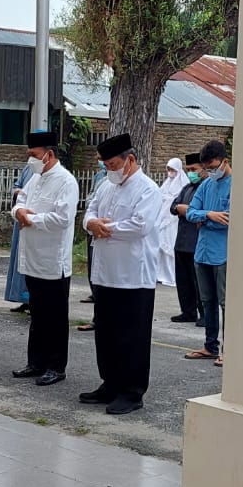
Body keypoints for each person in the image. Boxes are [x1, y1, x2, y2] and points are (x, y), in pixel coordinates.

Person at [81, 134, 165, 415]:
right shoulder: (106, 185)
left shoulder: (148, 189)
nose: (110, 170)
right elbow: (90, 210)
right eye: (105, 165)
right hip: (104, 272)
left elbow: (140, 225)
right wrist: (91, 223)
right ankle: (110, 383)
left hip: (133, 275)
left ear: (129, 160)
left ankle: (132, 392)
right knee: (106, 334)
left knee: (132, 336)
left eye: (113, 164)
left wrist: (105, 228)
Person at [10, 131, 79, 386]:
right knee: (37, 316)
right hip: (32, 258)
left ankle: (56, 366)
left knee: (55, 318)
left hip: (53, 261)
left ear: (48, 155)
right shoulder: (35, 178)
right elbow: (19, 202)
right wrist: (18, 212)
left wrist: (30, 219)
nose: (30, 159)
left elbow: (62, 219)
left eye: (33, 155)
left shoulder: (66, 181)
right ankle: (36, 362)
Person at [183, 141, 231, 367]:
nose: (210, 171)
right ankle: (210, 346)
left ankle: (228, 350)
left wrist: (204, 218)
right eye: (206, 168)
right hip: (202, 252)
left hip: (223, 253)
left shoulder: (236, 185)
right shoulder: (205, 185)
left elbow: (229, 218)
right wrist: (209, 215)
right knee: (207, 301)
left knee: (225, 302)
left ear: (225, 161)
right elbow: (190, 212)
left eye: (212, 167)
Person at [169, 154, 205, 326]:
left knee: (199, 282)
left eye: (194, 169)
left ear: (203, 169)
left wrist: (188, 210)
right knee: (183, 281)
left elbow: (204, 210)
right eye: (188, 170)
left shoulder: (206, 188)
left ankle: (204, 314)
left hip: (196, 241)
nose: (191, 173)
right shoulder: (187, 188)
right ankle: (188, 311)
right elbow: (173, 206)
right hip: (182, 241)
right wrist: (180, 208)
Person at [4, 146, 41, 314]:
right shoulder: (28, 168)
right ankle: (23, 298)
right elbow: (17, 186)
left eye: (34, 153)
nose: (31, 157)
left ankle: (33, 300)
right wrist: (17, 192)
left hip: (34, 221)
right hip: (21, 220)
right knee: (19, 259)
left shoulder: (52, 174)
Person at [81, 160, 109, 310]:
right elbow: (92, 198)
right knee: (92, 262)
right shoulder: (100, 177)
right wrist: (90, 221)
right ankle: (94, 293)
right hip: (94, 227)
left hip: (105, 229)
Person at [155, 158, 188, 288]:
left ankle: (172, 275)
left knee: (170, 245)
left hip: (174, 221)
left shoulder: (184, 184)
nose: (170, 172)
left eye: (172, 169)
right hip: (163, 219)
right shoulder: (167, 183)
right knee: (160, 246)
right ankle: (160, 274)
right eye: (168, 169)